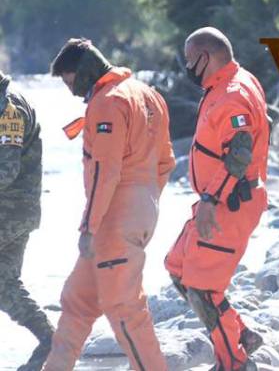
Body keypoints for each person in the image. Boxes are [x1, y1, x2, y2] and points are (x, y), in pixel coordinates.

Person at [45, 39, 173, 371]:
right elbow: (165, 162)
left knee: (124, 309)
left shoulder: (107, 103)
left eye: (71, 82)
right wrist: (145, 205)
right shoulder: (148, 95)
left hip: (113, 219)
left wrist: (89, 228)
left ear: (85, 71)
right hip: (140, 211)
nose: (73, 92)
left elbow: (105, 171)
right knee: (77, 300)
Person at [166, 28, 269, 371]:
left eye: (189, 59)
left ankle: (233, 362)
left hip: (229, 203)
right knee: (178, 267)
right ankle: (240, 335)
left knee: (202, 289)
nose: (186, 67)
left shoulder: (232, 95)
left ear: (204, 58)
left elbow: (239, 154)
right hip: (219, 198)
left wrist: (211, 201)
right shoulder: (230, 82)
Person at [0, 70, 54, 371]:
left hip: (9, 211)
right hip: (16, 211)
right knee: (3, 284)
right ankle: (51, 341)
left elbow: (5, 171)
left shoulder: (8, 108)